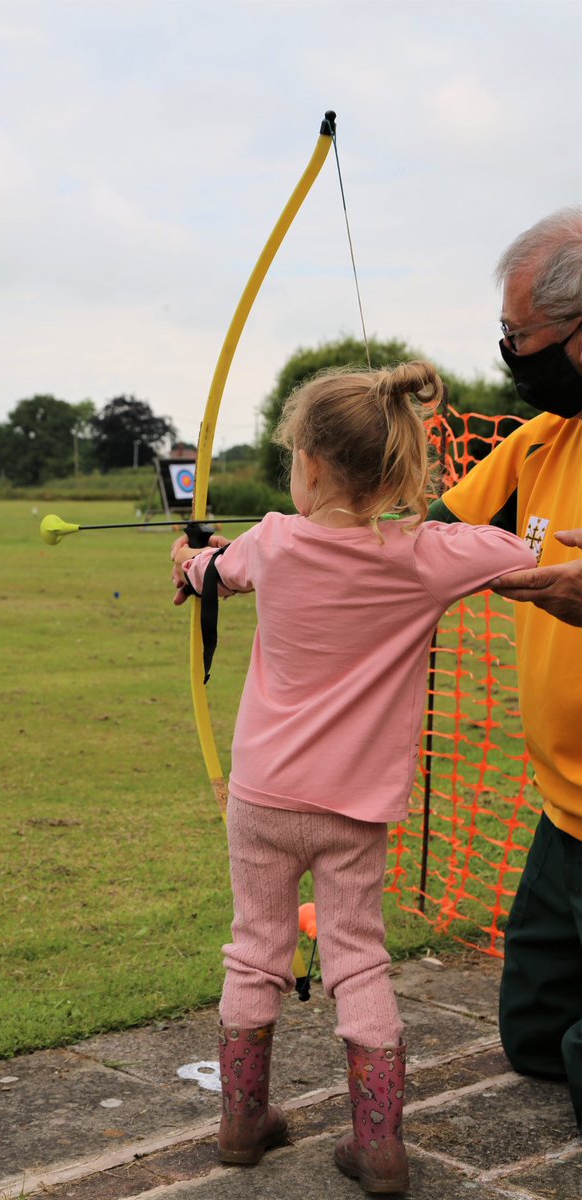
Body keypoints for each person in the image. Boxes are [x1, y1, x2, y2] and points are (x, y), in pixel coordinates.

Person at [171, 362, 535, 1194]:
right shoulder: (426, 557)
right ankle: (377, 1146)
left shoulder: (269, 539)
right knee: (357, 961)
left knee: (253, 950)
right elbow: (513, 551)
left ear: (311, 462)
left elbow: (211, 573)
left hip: (262, 797)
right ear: (395, 467)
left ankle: (240, 1122)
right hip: (353, 808)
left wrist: (188, 561)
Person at [428, 207, 582, 1129]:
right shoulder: (539, 442)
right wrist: (259, 555)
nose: (509, 355)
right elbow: (414, 545)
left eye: (521, 339)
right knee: (534, 1046)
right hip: (564, 816)